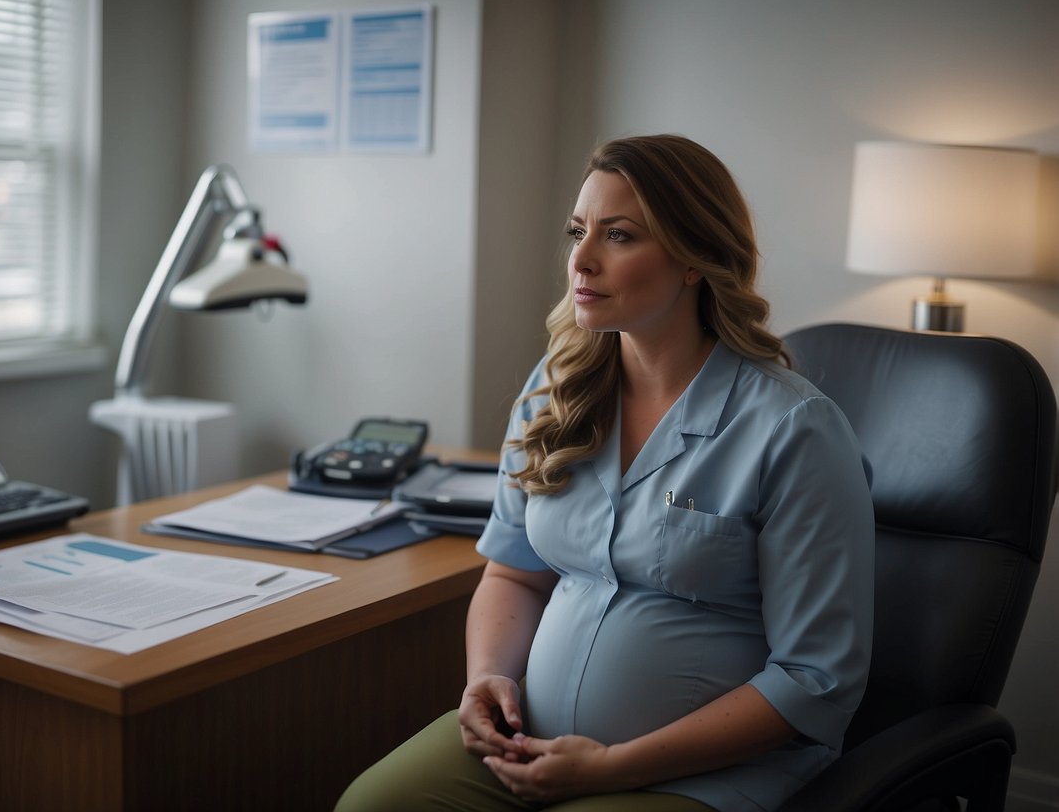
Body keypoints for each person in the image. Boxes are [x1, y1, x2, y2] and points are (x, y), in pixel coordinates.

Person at [335, 135, 874, 812]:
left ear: (691, 259)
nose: (580, 261)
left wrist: (612, 769)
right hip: (528, 742)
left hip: (702, 773)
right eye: (577, 231)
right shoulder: (555, 391)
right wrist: (486, 680)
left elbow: (814, 677)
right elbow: (513, 574)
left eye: (618, 236)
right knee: (372, 805)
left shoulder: (792, 428)